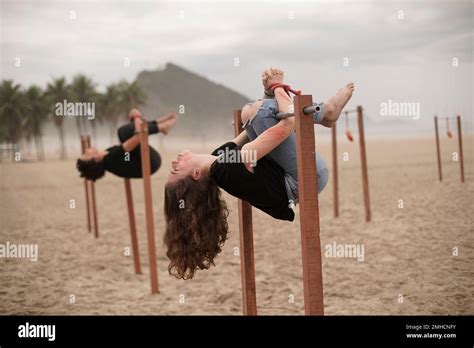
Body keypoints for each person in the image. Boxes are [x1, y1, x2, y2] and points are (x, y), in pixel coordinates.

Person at [164, 68, 354, 279]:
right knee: (256, 112)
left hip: (293, 176)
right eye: (176, 168)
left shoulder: (220, 159)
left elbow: (252, 129)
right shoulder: (230, 168)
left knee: (252, 112)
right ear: (197, 174)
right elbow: (288, 123)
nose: (174, 161)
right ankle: (327, 112)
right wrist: (278, 87)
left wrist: (268, 94)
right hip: (305, 179)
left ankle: (326, 115)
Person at [76, 109, 177, 181]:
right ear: (96, 159)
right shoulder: (111, 159)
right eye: (86, 155)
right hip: (150, 163)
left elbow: (135, 138)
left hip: (147, 162)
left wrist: (135, 120)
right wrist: (137, 117)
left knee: (126, 133)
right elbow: (138, 137)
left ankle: (159, 124)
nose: (86, 151)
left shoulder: (107, 158)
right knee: (124, 132)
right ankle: (162, 127)